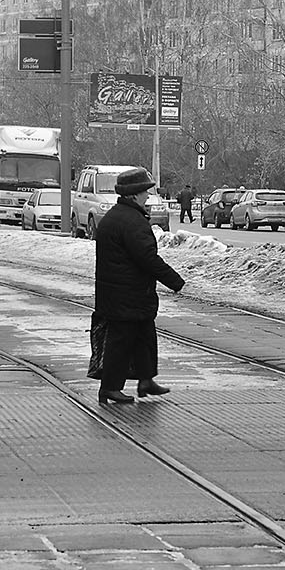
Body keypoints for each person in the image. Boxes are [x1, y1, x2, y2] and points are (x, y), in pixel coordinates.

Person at [94, 167, 185, 404]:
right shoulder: (132, 221)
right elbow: (147, 258)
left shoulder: (116, 216)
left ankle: (146, 380)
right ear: (134, 194)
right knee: (121, 340)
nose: (148, 196)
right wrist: (174, 281)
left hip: (120, 292)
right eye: (145, 191)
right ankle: (110, 387)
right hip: (128, 293)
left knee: (144, 335)